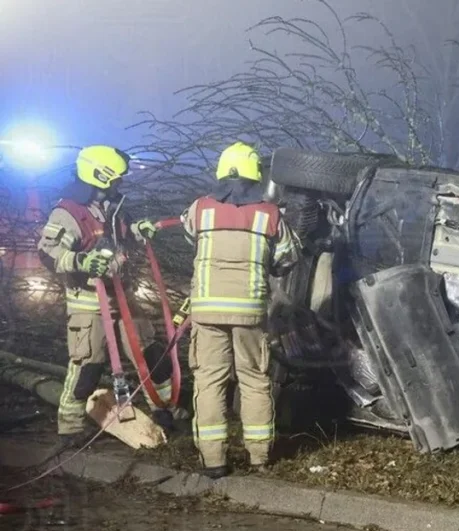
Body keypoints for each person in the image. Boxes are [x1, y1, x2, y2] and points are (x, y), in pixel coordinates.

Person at [36, 145, 188, 448]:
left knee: (151, 354)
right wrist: (81, 261)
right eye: (116, 177)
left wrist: (139, 229)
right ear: (99, 175)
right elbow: (47, 252)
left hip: (123, 297)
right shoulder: (68, 212)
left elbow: (121, 235)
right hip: (89, 303)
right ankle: (70, 428)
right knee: (87, 366)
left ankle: (166, 411)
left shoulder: (113, 206)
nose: (120, 182)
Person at [180, 142, 300, 478]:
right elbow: (288, 257)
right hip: (249, 311)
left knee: (209, 380)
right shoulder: (269, 214)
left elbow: (191, 239)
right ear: (255, 173)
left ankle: (214, 460)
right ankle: (259, 457)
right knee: (254, 380)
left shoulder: (200, 208)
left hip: (207, 311)